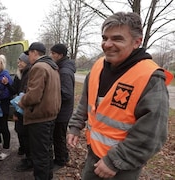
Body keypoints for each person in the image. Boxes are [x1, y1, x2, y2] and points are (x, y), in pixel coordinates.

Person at [67, 12, 174, 180]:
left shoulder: (149, 77)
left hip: (121, 168)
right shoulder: (98, 67)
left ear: (137, 42)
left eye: (117, 39)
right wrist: (75, 126)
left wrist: (115, 161)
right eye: (104, 38)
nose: (107, 45)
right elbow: (86, 102)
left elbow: (152, 133)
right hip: (93, 155)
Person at [18, 42, 61, 180]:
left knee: (39, 155)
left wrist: (22, 101)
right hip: (50, 115)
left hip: (39, 118)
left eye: (29, 53)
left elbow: (34, 96)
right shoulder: (52, 66)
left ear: (35, 53)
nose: (28, 57)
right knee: (47, 152)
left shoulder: (38, 67)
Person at [2, 52, 33, 171]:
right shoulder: (19, 74)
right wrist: (7, 84)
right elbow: (14, 90)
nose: (18, 63)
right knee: (19, 130)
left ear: (27, 62)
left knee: (24, 132)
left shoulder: (30, 73)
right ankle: (24, 151)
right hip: (19, 106)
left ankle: (29, 159)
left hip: (24, 107)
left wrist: (17, 111)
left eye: (21, 61)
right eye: (18, 61)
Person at [50, 43, 76, 170]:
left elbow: (66, 93)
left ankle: (61, 160)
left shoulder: (65, 71)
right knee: (58, 135)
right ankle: (63, 157)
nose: (51, 56)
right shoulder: (61, 66)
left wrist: (52, 91)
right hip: (61, 110)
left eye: (53, 54)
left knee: (58, 136)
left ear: (60, 55)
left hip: (63, 111)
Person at [0, 55, 13, 161]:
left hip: (2, 105)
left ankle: (6, 149)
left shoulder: (5, 76)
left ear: (2, 64)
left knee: (3, 127)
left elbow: (9, 92)